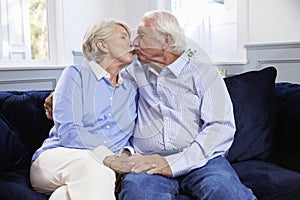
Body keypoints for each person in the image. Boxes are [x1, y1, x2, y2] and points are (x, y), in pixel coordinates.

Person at [104, 10, 257, 199]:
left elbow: (219, 127)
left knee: (227, 192)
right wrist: (58, 96)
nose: (134, 42)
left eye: (142, 35)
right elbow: (100, 88)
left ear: (166, 40)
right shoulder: (133, 72)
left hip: (202, 160)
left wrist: (174, 164)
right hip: (148, 159)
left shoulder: (205, 74)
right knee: (139, 193)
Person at [30, 19, 137, 200]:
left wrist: (126, 156)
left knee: (64, 196)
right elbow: (69, 132)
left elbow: (133, 137)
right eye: (123, 37)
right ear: (102, 45)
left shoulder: (132, 87)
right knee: (95, 167)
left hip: (101, 172)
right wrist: (109, 159)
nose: (131, 43)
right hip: (57, 160)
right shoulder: (75, 75)